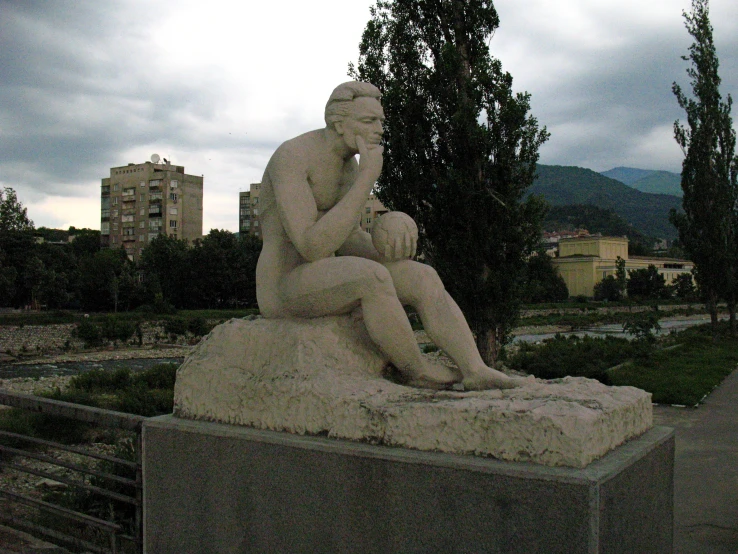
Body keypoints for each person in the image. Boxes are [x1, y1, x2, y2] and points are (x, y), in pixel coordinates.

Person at [256, 81, 528, 390]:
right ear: (338, 122)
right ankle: (416, 369)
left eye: (381, 121)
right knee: (372, 277)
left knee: (420, 276)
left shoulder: (348, 166)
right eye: (369, 121)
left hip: (324, 276)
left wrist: (389, 248)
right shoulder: (292, 157)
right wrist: (368, 180)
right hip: (284, 284)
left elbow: (347, 239)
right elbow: (312, 247)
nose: (379, 129)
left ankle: (474, 368)